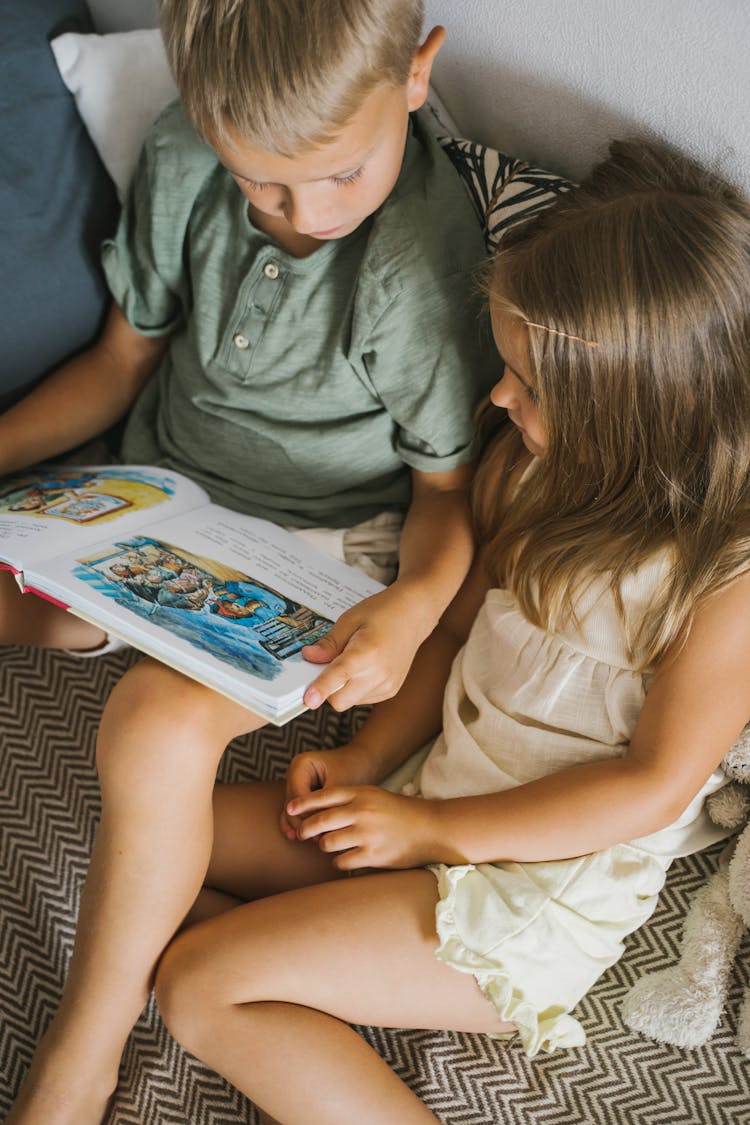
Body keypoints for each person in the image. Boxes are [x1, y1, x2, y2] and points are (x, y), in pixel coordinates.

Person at [136, 139, 745, 1123]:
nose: (498, 400)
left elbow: (646, 790)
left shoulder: (724, 578)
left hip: (525, 899)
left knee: (198, 983)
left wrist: (432, 831)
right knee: (160, 842)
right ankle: (311, 960)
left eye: (532, 387)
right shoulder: (530, 473)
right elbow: (457, 638)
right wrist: (372, 760)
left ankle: (277, 976)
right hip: (432, 797)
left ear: (642, 411)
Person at [3, 5, 496, 1119]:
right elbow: (121, 361)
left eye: (337, 175)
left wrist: (416, 608)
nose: (303, 215)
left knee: (153, 723)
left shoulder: (418, 264)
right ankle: (80, 601)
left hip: (328, 546)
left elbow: (447, 495)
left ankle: (84, 1047)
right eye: (263, 184)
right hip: (153, 493)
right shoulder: (183, 152)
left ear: (418, 76)